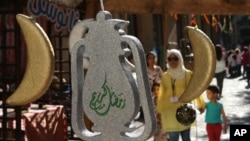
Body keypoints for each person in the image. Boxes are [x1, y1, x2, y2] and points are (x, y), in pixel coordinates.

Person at [157, 49, 193, 141]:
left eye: (175, 58)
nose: (172, 61)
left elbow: (194, 90)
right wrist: (159, 110)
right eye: (170, 59)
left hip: (184, 110)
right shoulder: (165, 76)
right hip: (169, 112)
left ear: (180, 59)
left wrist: (201, 104)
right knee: (173, 138)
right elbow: (161, 95)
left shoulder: (188, 74)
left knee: (186, 138)